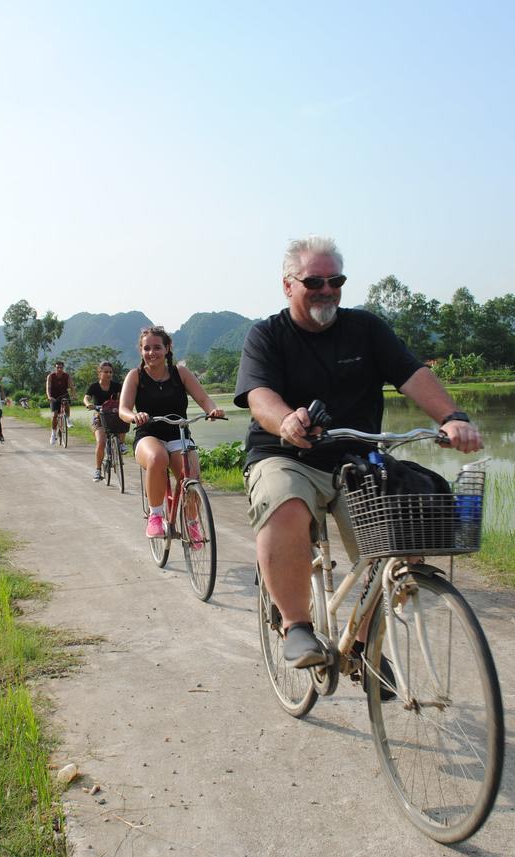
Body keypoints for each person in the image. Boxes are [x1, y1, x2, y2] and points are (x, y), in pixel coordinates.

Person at [234, 235, 483, 668]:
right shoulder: (267, 335)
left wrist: (452, 416)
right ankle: (297, 626)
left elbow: (411, 373)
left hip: (357, 460)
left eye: (336, 280)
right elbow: (259, 395)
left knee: (399, 529)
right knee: (285, 504)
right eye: (314, 281)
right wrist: (287, 421)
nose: (326, 290)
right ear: (288, 285)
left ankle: (364, 647)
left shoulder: (366, 328)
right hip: (286, 455)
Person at [119, 327, 225, 539]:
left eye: (157, 347)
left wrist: (211, 410)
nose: (152, 353)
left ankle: (192, 523)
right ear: (140, 351)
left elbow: (203, 399)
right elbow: (123, 410)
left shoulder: (181, 373)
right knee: (158, 457)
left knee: (192, 476)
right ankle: (155, 516)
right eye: (146, 348)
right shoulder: (136, 376)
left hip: (179, 435)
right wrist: (134, 417)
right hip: (148, 435)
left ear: (167, 348)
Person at [83, 360, 128, 481]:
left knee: (124, 419)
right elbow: (86, 397)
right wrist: (88, 404)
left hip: (113, 416)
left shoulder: (116, 385)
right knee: (101, 442)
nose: (109, 374)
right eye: (106, 372)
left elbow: (126, 394)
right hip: (100, 417)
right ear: (99, 373)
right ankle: (98, 470)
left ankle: (121, 444)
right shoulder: (94, 386)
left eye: (110, 372)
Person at [46, 360, 73, 444]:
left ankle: (68, 419)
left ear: (63, 368)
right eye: (58, 367)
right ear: (55, 368)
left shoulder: (66, 376)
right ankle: (53, 434)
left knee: (66, 402)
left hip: (64, 394)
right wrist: (49, 396)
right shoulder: (51, 376)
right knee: (55, 415)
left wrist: (74, 395)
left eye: (61, 367)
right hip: (54, 397)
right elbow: (48, 388)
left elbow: (71, 386)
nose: (59, 369)